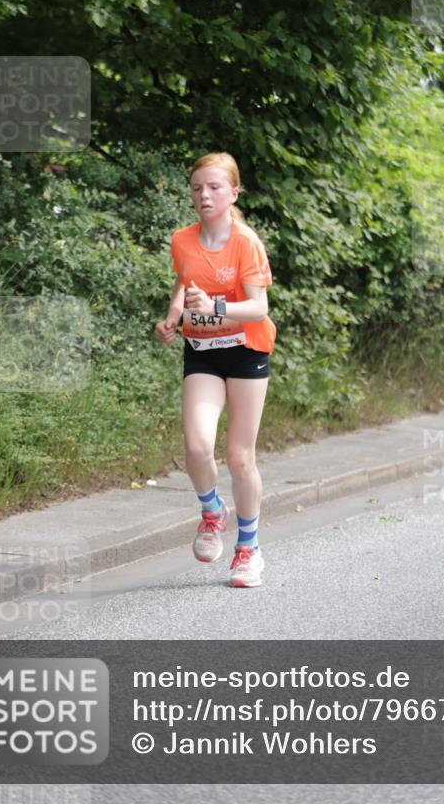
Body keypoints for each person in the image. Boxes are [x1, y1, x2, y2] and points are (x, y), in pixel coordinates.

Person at [155, 152, 276, 587]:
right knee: (196, 446)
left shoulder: (245, 242)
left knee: (240, 457)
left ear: (233, 193)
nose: (204, 195)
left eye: (214, 187)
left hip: (246, 350)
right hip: (203, 350)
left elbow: (259, 307)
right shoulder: (182, 240)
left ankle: (249, 550)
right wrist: (171, 315)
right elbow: (185, 279)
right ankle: (211, 511)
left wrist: (216, 305)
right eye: (197, 188)